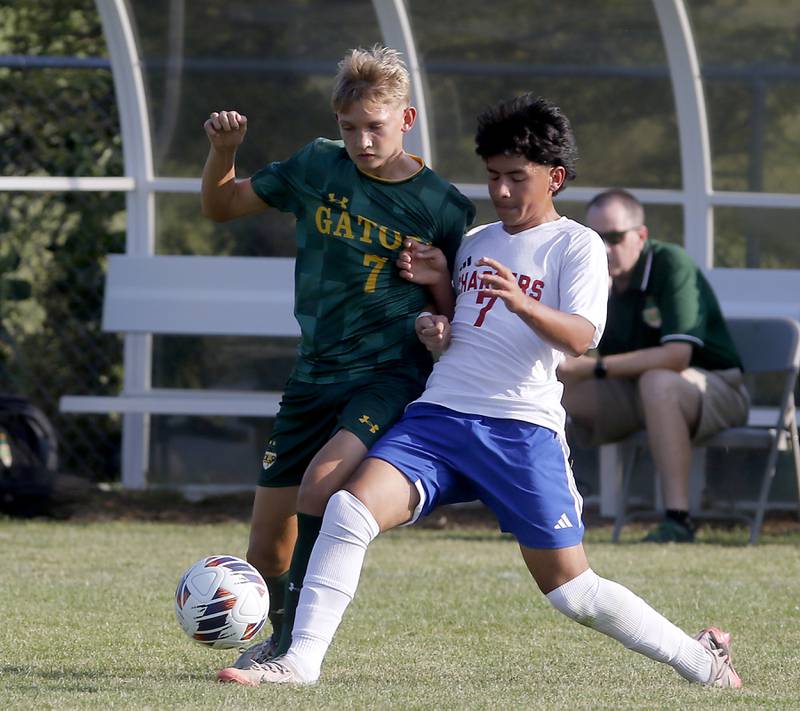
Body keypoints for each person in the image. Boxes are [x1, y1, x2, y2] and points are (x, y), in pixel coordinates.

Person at [216, 94, 742, 689]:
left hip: (520, 430)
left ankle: (701, 661)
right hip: (440, 416)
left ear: (556, 178)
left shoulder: (576, 245)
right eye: (493, 177)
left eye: (518, 178)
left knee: (574, 593)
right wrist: (438, 319)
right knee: (348, 508)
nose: (501, 191)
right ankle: (301, 662)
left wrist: (521, 300)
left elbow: (582, 338)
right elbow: (460, 327)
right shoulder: (478, 240)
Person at [200, 45, 475, 662]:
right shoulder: (317, 168)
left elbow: (461, 304)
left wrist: (437, 296)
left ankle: (295, 650)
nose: (361, 140)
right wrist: (224, 153)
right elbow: (220, 206)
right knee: (267, 544)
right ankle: (277, 634)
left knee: (321, 484)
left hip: (386, 373)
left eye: (375, 127)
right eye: (348, 128)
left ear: (406, 120)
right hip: (312, 374)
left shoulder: (443, 206)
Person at [558, 189, 749, 542]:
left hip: (717, 389)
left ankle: (678, 519)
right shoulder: (594, 274)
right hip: (639, 391)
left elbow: (678, 357)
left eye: (614, 238)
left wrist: (595, 368)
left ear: (641, 235)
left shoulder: (670, 263)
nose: (604, 248)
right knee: (552, 385)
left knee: (658, 382)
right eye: (596, 237)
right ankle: (546, 510)